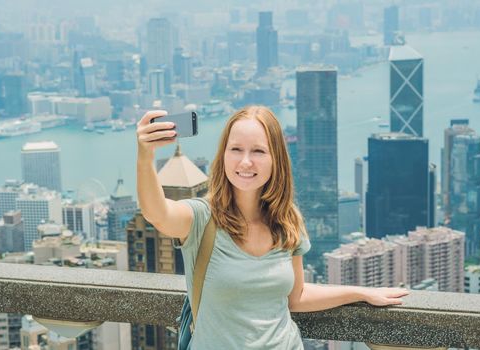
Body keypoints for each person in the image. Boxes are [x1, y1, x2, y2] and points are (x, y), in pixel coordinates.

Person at [136, 106, 409, 350]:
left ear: (275, 159)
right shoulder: (201, 218)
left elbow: (297, 297)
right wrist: (145, 156)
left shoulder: (287, 221)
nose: (245, 162)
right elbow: (156, 212)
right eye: (236, 149)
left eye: (258, 151)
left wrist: (360, 293)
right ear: (223, 156)